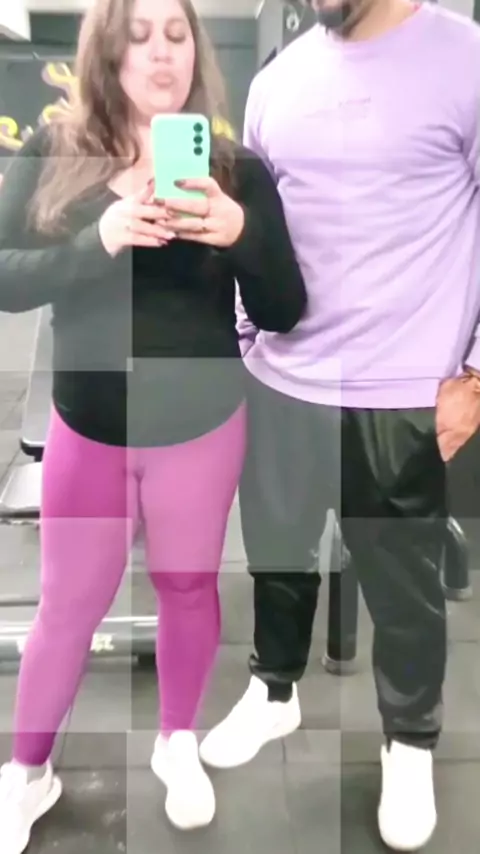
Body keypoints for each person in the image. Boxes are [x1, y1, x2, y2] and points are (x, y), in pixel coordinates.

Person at [0, 0, 307, 848]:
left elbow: (285, 308)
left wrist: (240, 232)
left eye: (176, 35)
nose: (161, 54)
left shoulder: (234, 170)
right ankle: (26, 771)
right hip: (89, 431)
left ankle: (177, 741)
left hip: (199, 434)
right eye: (138, 37)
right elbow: (4, 278)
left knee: (188, 588)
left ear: (196, 51)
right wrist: (95, 241)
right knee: (68, 607)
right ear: (107, 51)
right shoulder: (56, 152)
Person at [199, 0, 480, 850]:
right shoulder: (276, 82)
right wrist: (246, 339)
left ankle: (409, 742)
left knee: (403, 590)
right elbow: (261, 223)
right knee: (279, 555)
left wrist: (478, 374)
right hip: (282, 375)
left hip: (401, 386)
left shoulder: (466, 60)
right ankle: (273, 689)